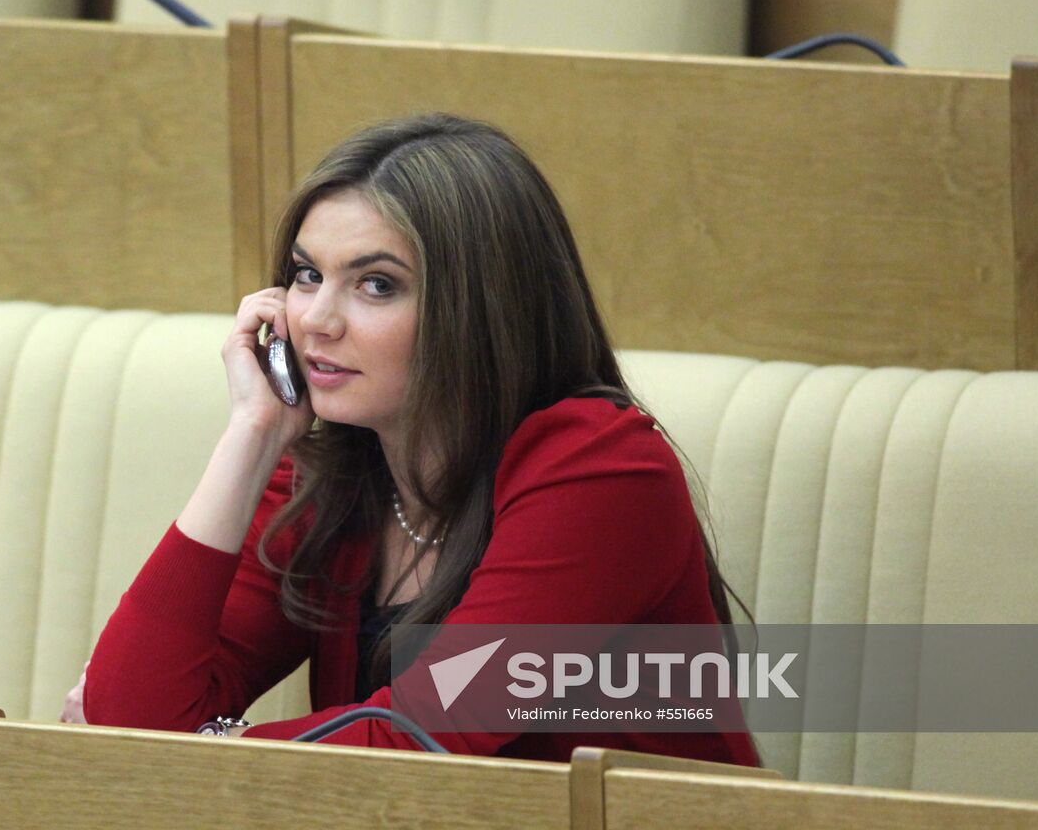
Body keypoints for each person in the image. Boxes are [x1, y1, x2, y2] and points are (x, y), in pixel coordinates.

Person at [63, 113, 758, 765]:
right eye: (307, 276)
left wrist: (214, 743)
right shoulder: (328, 475)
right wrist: (253, 433)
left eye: (375, 285)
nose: (316, 321)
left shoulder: (602, 471)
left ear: (481, 310)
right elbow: (124, 721)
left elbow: (428, 737)